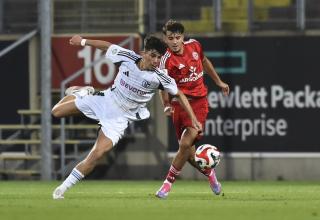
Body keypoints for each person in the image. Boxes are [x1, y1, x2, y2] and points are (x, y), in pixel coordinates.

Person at [52, 34, 203, 199]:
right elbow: (106, 46)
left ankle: (62, 189)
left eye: (159, 57)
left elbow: (179, 94)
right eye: (153, 55)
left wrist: (194, 120)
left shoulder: (160, 77)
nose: (156, 61)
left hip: (119, 118)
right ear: (143, 53)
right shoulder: (127, 57)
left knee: (97, 154)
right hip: (105, 100)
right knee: (56, 112)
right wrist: (82, 41)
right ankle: (82, 92)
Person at [155, 20, 230, 199]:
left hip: (199, 103)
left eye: (177, 37)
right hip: (179, 106)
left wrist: (219, 82)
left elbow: (205, 62)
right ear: (165, 39)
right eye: (170, 38)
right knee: (188, 153)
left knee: (184, 143)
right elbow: (162, 87)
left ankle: (167, 185)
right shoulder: (165, 60)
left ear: (183, 37)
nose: (174, 41)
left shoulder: (195, 46)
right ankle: (210, 174)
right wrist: (166, 105)